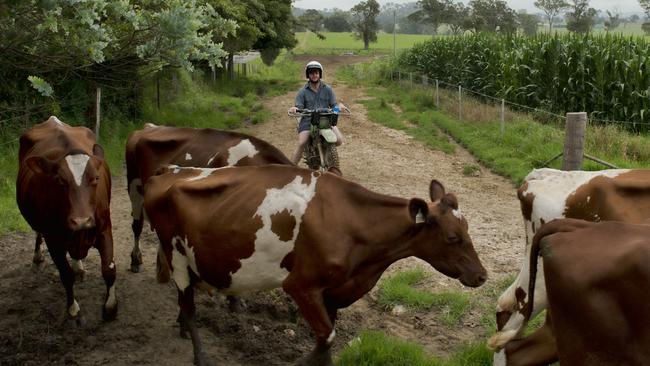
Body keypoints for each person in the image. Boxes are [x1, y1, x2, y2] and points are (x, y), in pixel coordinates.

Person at [289, 60, 344, 166]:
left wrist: (339, 108)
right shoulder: (302, 91)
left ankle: (326, 150)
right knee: (302, 142)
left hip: (325, 120)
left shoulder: (328, 89)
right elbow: (298, 107)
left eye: (316, 73)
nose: (314, 75)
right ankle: (290, 168)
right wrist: (294, 109)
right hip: (308, 120)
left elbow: (333, 107)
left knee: (339, 140)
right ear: (308, 75)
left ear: (320, 74)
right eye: (311, 73)